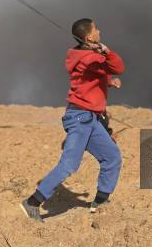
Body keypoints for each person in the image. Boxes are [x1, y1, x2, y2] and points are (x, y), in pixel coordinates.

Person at [21, 18, 124, 222]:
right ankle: (32, 202)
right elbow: (117, 66)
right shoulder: (88, 57)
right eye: (96, 29)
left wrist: (108, 82)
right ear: (89, 36)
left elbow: (91, 76)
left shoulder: (84, 56)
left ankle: (100, 202)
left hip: (89, 118)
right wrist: (106, 51)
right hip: (80, 118)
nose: (100, 30)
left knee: (112, 157)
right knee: (69, 165)